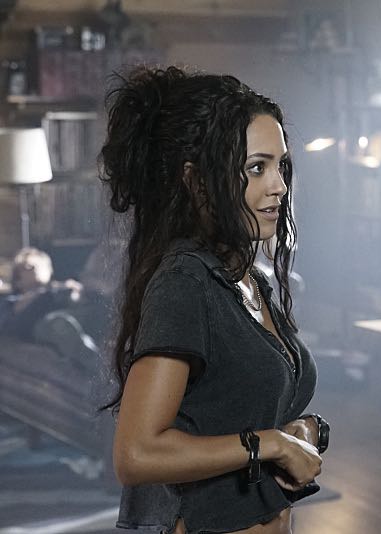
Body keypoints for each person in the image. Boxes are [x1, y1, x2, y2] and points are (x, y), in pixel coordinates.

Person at [101, 66, 327, 534]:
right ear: (197, 181)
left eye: (281, 165)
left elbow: (238, 409)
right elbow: (136, 454)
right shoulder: (186, 281)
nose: (279, 186)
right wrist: (273, 444)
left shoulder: (246, 278)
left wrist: (299, 432)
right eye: (256, 168)